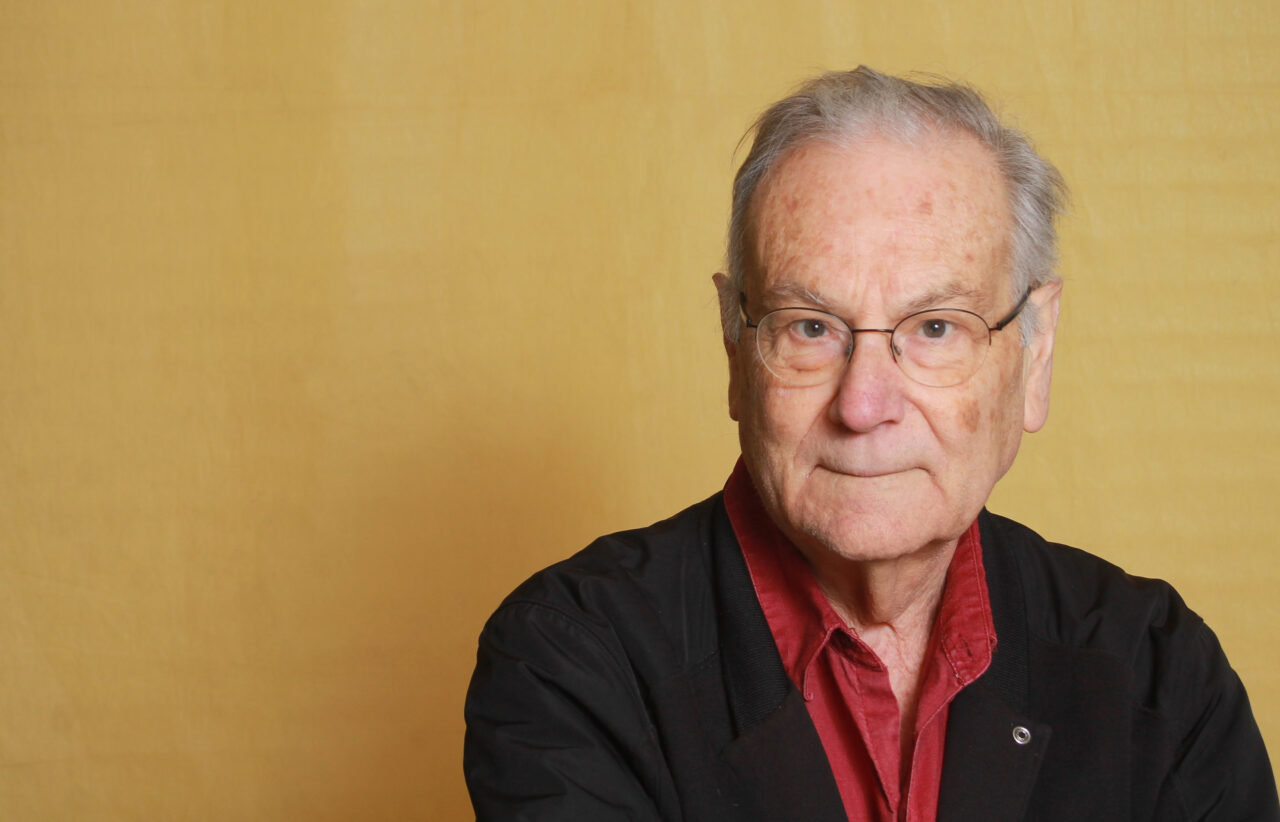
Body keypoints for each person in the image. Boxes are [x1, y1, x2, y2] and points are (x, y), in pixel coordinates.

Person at [463, 67, 1279, 821]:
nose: (863, 405)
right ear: (736, 353)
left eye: (936, 328)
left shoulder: (1158, 674)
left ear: (1035, 356)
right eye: (811, 328)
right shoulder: (571, 664)